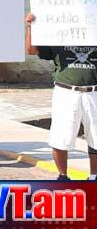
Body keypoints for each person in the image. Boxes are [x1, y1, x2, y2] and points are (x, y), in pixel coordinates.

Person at [26, 13, 97, 181]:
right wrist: (30, 26)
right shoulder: (59, 37)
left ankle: (94, 175)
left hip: (93, 92)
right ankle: (62, 176)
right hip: (66, 92)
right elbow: (31, 50)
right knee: (61, 135)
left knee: (96, 136)